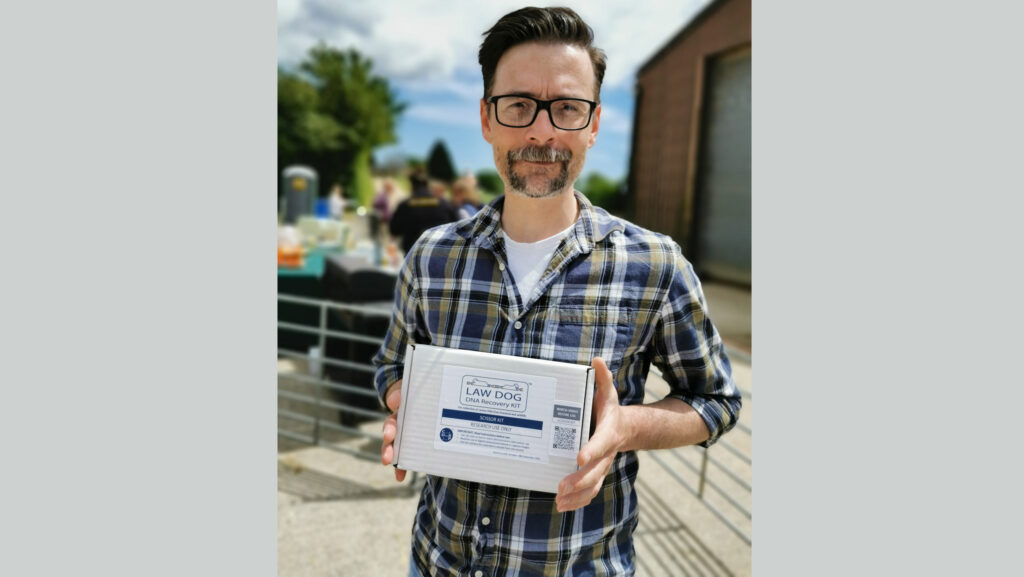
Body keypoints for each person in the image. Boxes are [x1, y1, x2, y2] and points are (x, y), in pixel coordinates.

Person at [373, 7, 741, 577]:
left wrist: (626, 429)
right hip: (438, 562)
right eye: (518, 105)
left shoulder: (656, 265)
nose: (541, 131)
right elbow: (391, 364)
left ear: (593, 125)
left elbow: (715, 402)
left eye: (566, 108)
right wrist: (403, 402)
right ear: (487, 119)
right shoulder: (432, 256)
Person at [388, 170, 460, 254]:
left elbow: (394, 230)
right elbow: (456, 228)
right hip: (440, 254)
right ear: (427, 185)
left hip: (412, 255)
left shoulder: (405, 205)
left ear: (412, 185)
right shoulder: (444, 204)